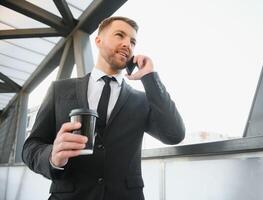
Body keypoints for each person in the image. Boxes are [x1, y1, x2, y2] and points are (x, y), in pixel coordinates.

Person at [22, 16, 185, 200]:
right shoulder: (59, 90)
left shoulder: (142, 100)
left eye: (133, 41)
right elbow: (31, 147)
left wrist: (151, 78)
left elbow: (174, 135)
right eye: (120, 35)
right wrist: (52, 156)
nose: (127, 44)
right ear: (98, 41)